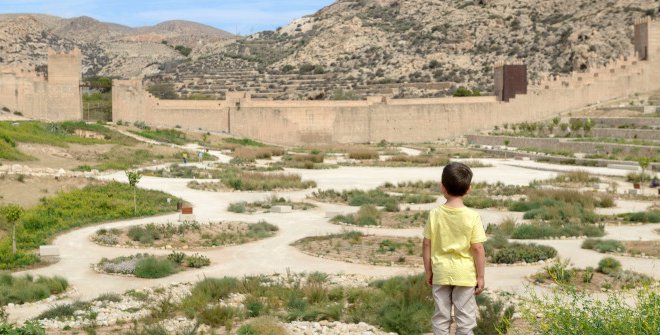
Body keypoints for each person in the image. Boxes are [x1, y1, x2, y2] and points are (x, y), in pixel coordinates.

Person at [423, 162, 487, 335]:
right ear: (468, 189)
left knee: (441, 317)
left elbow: (427, 243)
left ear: (442, 187)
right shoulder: (473, 217)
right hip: (465, 275)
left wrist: (428, 271)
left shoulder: (434, 214)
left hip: (440, 273)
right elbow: (478, 248)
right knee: (465, 320)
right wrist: (480, 276)